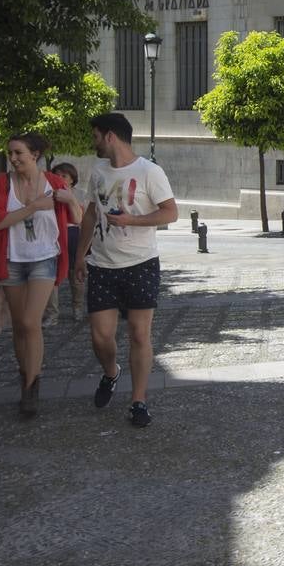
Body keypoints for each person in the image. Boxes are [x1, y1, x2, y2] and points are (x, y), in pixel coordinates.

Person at [74, 113, 178, 428]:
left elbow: (171, 212)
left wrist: (131, 220)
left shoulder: (150, 171)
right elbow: (91, 213)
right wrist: (80, 255)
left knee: (138, 334)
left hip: (141, 263)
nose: (93, 141)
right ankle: (111, 372)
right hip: (102, 265)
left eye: (95, 135)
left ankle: (138, 401)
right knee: (101, 336)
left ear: (109, 136)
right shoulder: (99, 171)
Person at [0, 133, 81, 417]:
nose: (13, 158)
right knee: (19, 325)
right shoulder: (2, 183)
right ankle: (25, 374)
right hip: (12, 260)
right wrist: (32, 207)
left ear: (35, 154)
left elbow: (77, 217)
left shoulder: (54, 184)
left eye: (18, 153)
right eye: (10, 153)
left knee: (31, 322)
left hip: (44, 258)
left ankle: (31, 386)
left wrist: (70, 199)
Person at [43, 162, 84, 323]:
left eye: (64, 176)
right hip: (52, 235)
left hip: (72, 234)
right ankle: (52, 313)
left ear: (72, 180)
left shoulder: (77, 194)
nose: (59, 179)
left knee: (75, 273)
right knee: (51, 274)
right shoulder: (47, 193)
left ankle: (78, 307)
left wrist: (70, 199)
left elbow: (80, 217)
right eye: (56, 175)